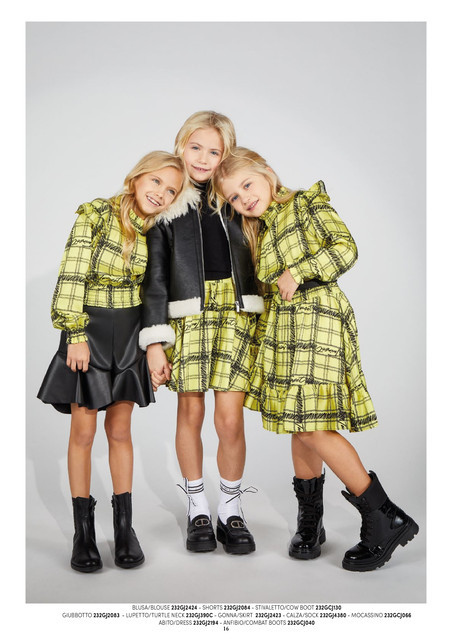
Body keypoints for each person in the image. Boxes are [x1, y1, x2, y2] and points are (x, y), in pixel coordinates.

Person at [213, 147, 419, 571]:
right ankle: (311, 524)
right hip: (284, 327)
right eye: (234, 196)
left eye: (247, 185)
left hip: (318, 315)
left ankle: (385, 516)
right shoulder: (260, 231)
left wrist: (299, 271)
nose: (244, 198)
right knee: (300, 423)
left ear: (267, 172)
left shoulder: (307, 203)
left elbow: (346, 248)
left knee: (310, 425)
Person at [38, 150, 189, 572]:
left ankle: (125, 529)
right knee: (83, 431)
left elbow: (157, 291)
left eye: (171, 190)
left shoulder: (156, 232)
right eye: (156, 181)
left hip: (130, 335)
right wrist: (74, 334)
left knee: (120, 430)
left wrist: (157, 346)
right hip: (89, 331)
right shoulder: (95, 215)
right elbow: (72, 275)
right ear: (137, 177)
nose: (161, 193)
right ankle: (83, 533)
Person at [139, 112, 264, 554]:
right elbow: (155, 277)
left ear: (226, 153)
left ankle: (231, 509)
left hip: (235, 313)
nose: (204, 158)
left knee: (229, 418)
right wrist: (155, 341)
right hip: (187, 315)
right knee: (189, 412)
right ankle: (197, 508)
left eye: (214, 151)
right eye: (196, 147)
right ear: (181, 144)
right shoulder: (168, 202)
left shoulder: (238, 195)